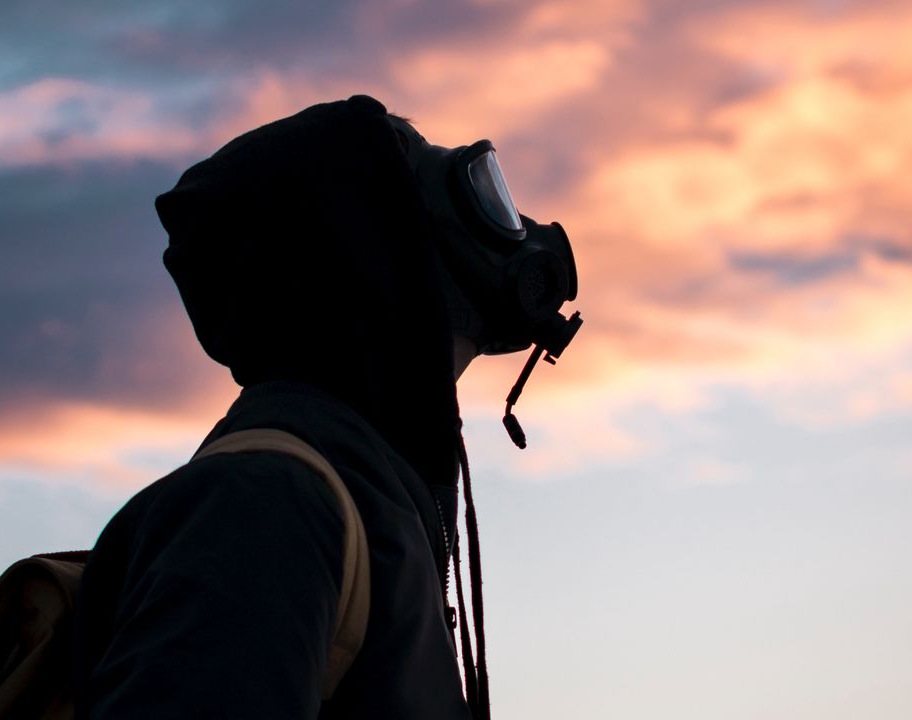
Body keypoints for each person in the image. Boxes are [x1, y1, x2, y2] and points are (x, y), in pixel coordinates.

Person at [72, 95, 581, 719]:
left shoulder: (366, 498)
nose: (515, 231)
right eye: (477, 199)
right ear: (373, 244)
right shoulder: (265, 505)